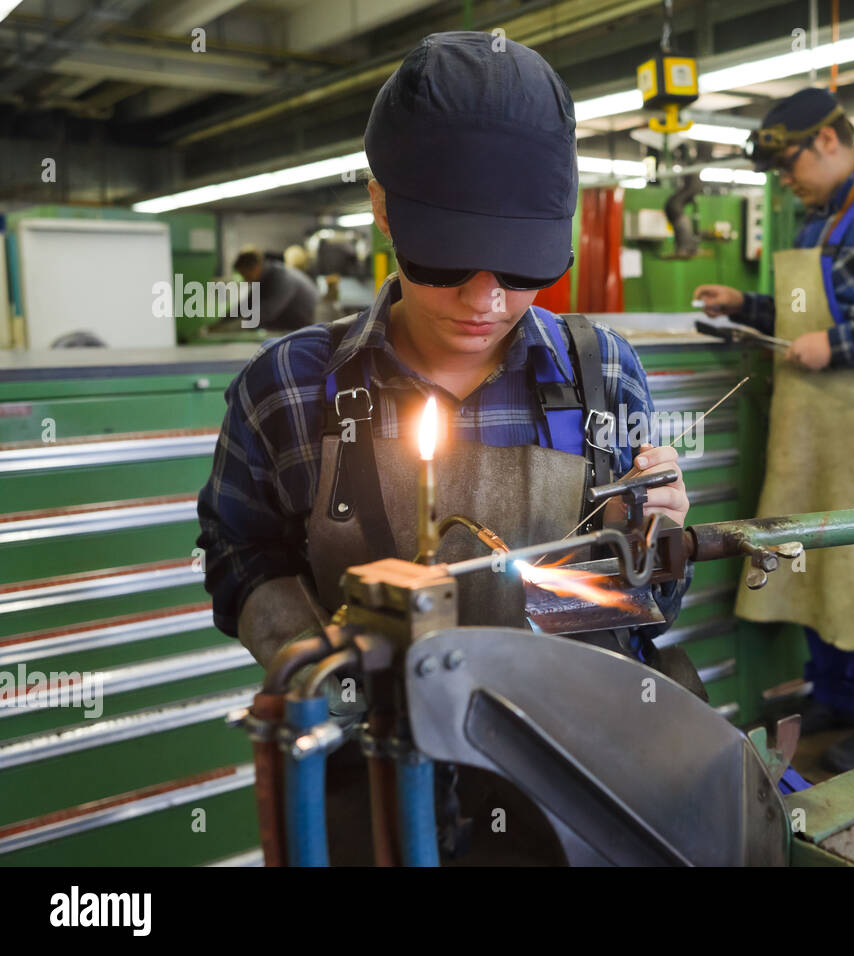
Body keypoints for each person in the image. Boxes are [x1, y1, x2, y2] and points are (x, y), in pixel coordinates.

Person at [197, 32, 692, 862]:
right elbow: (239, 550)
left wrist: (654, 542)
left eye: (520, 264)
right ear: (383, 205)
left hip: (578, 785)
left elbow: (645, 611)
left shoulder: (604, 374)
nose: (486, 297)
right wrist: (323, 663)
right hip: (373, 788)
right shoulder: (285, 391)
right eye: (450, 259)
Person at [694, 88, 854, 773]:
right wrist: (747, 304)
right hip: (817, 417)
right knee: (818, 554)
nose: (785, 178)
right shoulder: (818, 214)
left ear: (830, 142)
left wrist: (837, 345)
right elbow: (800, 309)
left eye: (789, 162)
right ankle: (842, 694)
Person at [232, 247, 320, 332]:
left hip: (306, 330)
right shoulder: (264, 278)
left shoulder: (280, 277)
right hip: (291, 327)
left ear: (255, 268)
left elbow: (267, 312)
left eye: (245, 275)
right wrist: (226, 318)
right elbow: (247, 304)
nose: (245, 279)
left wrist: (237, 325)